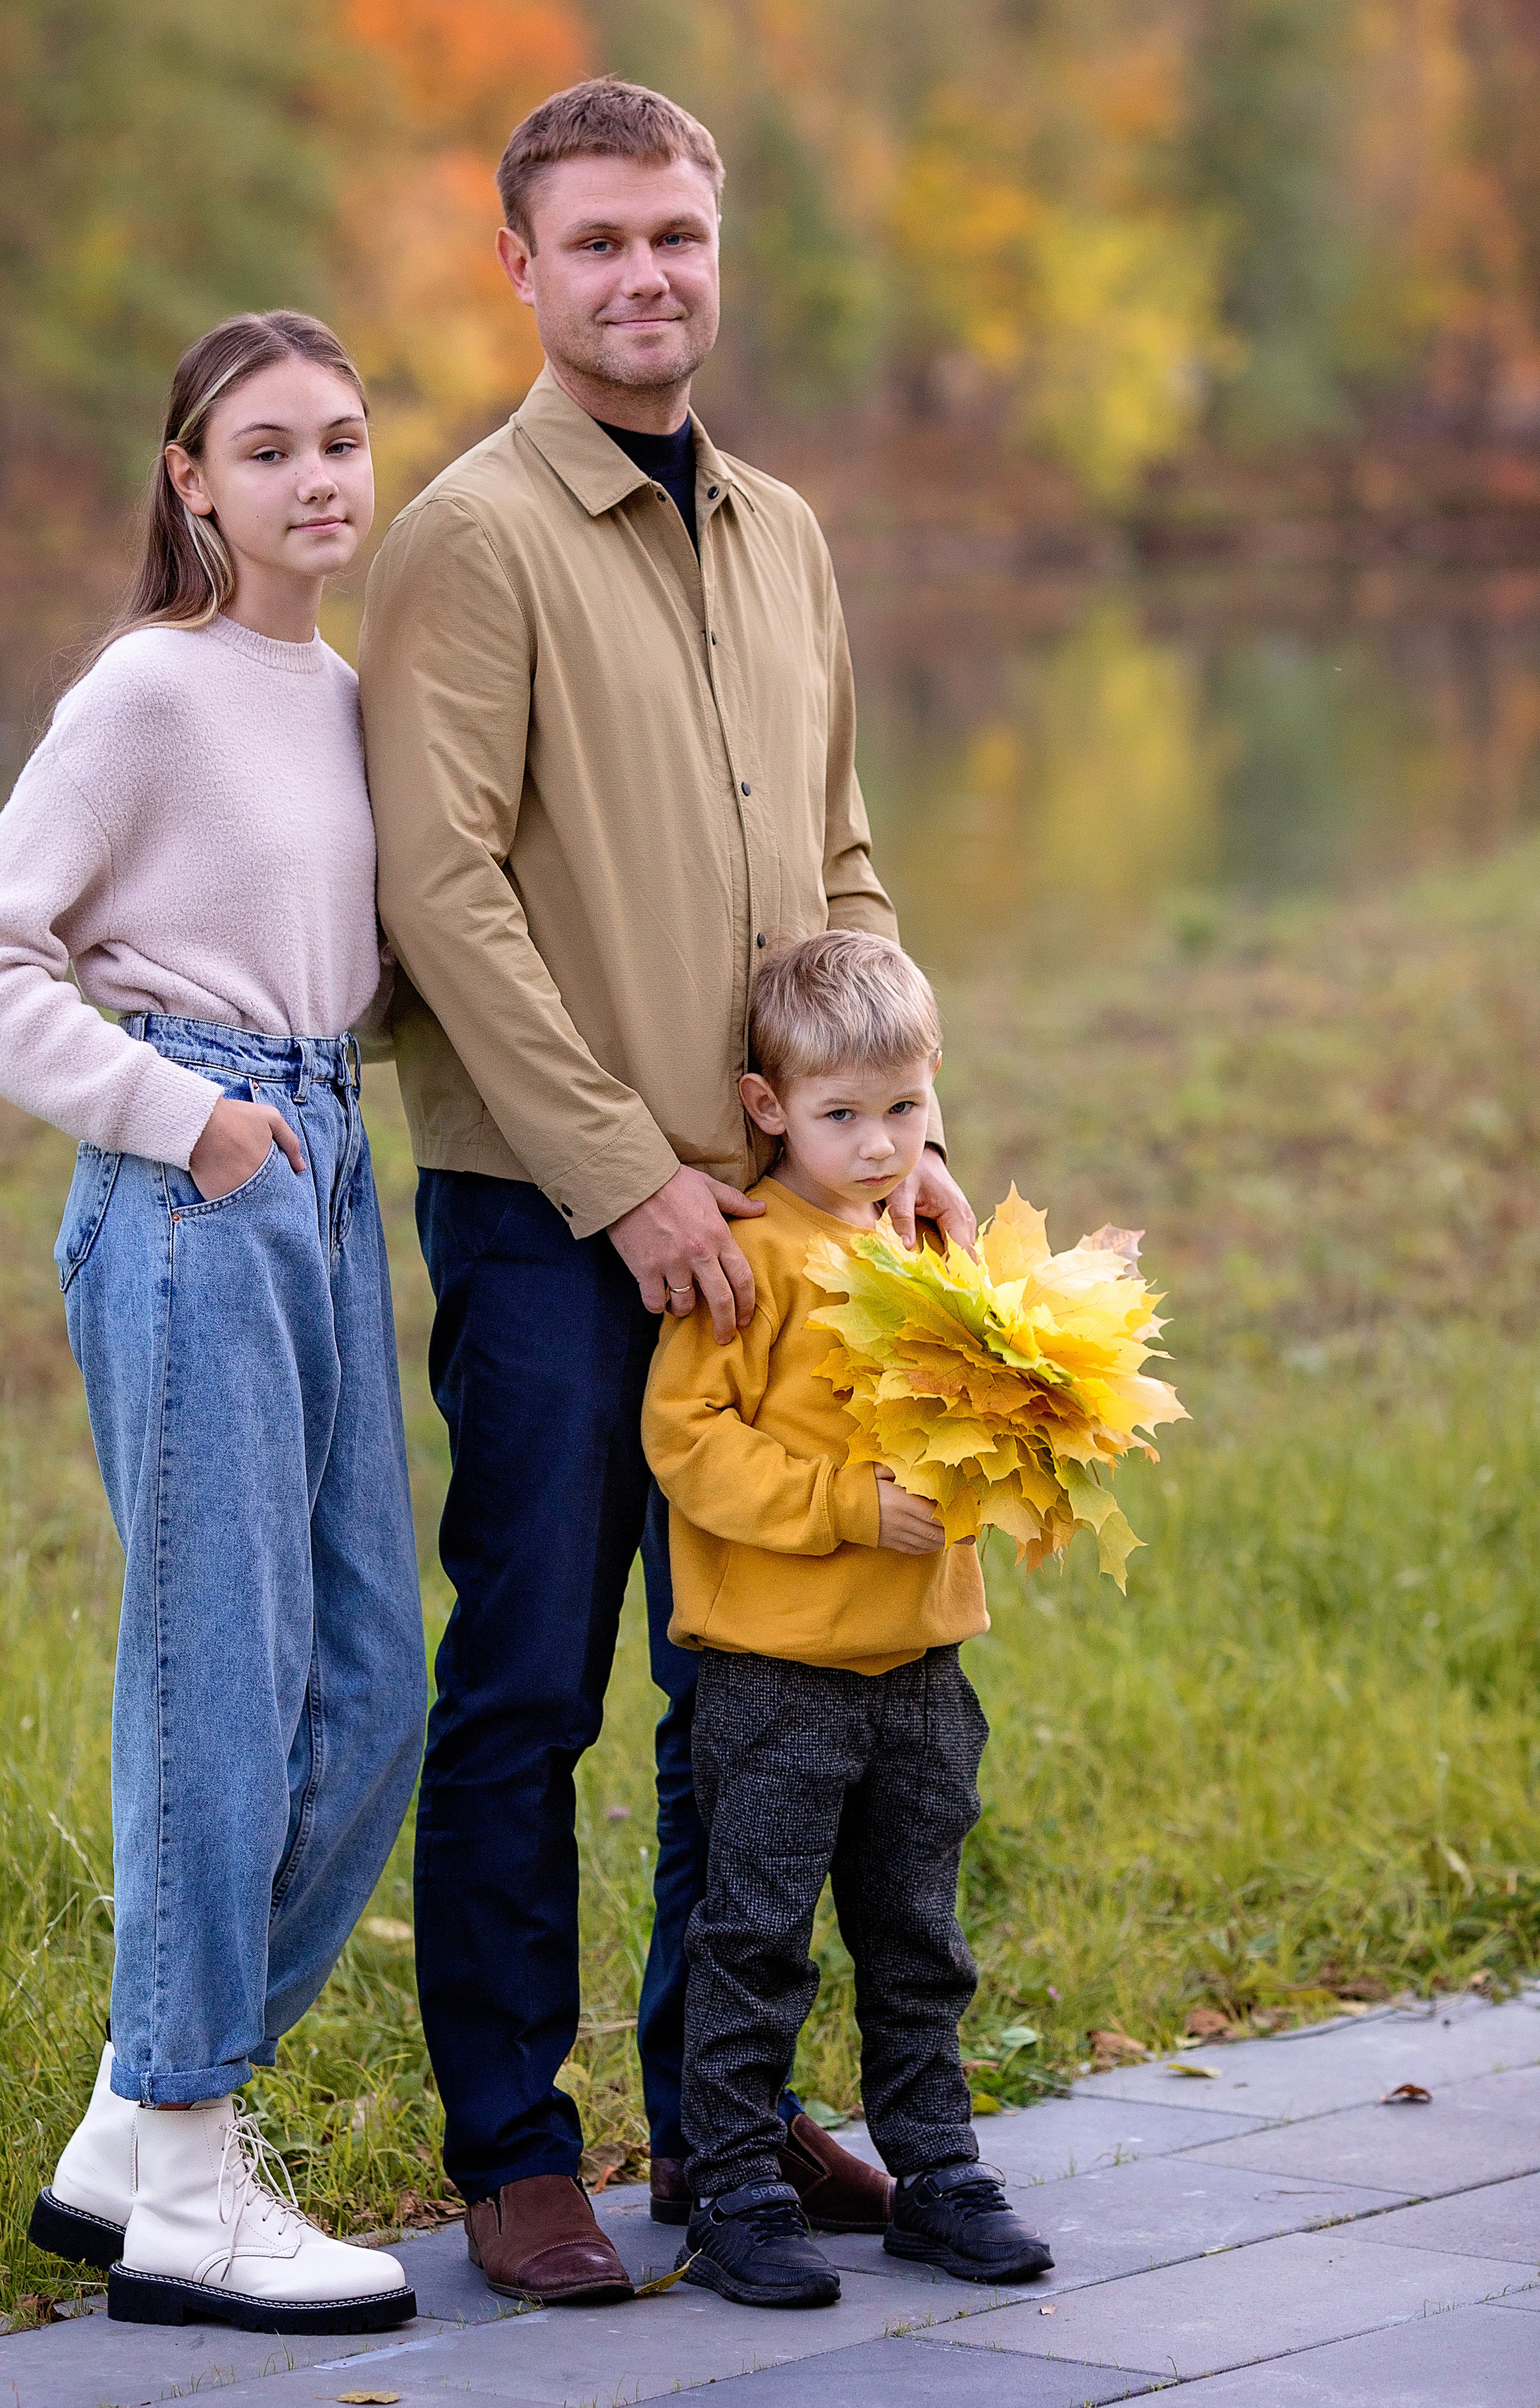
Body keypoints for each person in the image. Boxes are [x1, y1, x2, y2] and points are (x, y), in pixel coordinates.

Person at [358, 78, 977, 2303]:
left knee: (755, 1682)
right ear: (520, 267)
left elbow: (842, 857)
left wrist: (907, 1136)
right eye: (600, 240)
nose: (646, 275)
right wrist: (628, 1179)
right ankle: (514, 2149)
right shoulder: (469, 539)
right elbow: (439, 890)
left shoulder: (785, 532)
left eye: (677, 235)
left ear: (722, 250)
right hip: (552, 1216)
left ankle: (720, 2116)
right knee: (534, 1679)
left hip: (787, 1228)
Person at [0, 312, 427, 2337]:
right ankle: (195, 2179)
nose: (316, 478)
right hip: (198, 1179)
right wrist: (177, 1116)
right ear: (190, 481)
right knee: (222, 1683)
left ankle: (136, 2127)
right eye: (268, 448)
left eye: (343, 441)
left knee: (370, 1692)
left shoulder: (346, 697)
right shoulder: (146, 690)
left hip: (327, 1161)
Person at [642, 930, 1055, 2306]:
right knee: (755, 1938)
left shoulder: (932, 1249)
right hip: (778, 1678)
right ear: (769, 1108)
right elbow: (686, 1439)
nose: (880, 1146)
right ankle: (734, 2190)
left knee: (919, 1940)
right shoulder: (749, 1260)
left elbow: (978, 1417)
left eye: (904, 1109)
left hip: (924, 1669)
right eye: (841, 1116)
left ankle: (937, 2175)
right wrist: (839, 1505)